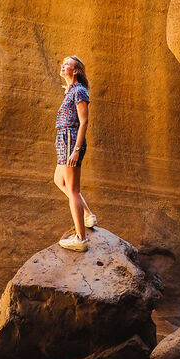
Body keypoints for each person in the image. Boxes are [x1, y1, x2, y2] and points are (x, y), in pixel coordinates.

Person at [54, 55, 97, 251]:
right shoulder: (70, 91)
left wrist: (76, 150)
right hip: (64, 139)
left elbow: (84, 121)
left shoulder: (79, 91)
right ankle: (88, 215)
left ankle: (81, 239)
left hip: (71, 139)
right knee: (58, 180)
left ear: (76, 70)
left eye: (67, 65)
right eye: (62, 64)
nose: (63, 67)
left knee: (73, 190)